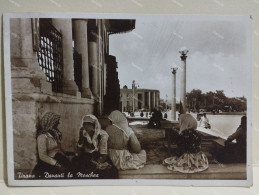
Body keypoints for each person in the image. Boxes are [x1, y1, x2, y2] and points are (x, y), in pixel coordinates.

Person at [72, 114, 118, 179]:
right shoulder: (84, 134)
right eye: (84, 124)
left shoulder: (102, 135)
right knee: (75, 165)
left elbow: (103, 154)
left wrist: (97, 163)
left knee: (105, 172)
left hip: (99, 156)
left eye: (88, 124)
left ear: (94, 125)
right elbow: (78, 153)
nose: (86, 126)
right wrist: (81, 138)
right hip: (86, 156)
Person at [32, 112, 72, 179]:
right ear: (51, 122)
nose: (58, 123)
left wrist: (66, 152)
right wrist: (57, 164)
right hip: (48, 163)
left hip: (57, 158)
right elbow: (42, 156)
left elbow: (57, 147)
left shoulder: (54, 134)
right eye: (57, 122)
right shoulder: (42, 136)